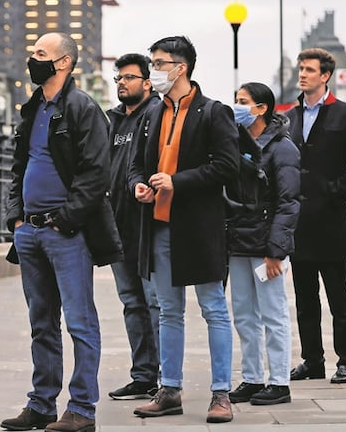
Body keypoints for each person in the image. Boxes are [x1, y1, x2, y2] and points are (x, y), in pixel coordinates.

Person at [0, 32, 121, 432]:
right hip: (30, 233)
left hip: (65, 233)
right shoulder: (32, 108)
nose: (31, 59)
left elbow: (95, 174)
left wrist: (63, 220)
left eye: (40, 54)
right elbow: (19, 166)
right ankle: (42, 404)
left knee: (80, 322)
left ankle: (82, 410)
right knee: (41, 322)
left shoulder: (82, 108)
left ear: (63, 62)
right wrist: (17, 217)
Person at [127, 35, 239, 424]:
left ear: (181, 67)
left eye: (158, 63)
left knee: (214, 310)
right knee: (168, 312)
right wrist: (138, 185)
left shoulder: (213, 112)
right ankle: (169, 389)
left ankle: (221, 393)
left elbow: (228, 167)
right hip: (158, 225)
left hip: (199, 227)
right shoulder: (152, 113)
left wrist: (179, 181)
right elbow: (137, 165)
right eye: (152, 62)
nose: (153, 70)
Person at [284, 48, 346, 385]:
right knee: (305, 298)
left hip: (331, 219)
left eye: (309, 69)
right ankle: (312, 360)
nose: (302, 74)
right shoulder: (290, 117)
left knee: (338, 296)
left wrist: (336, 190)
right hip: (299, 222)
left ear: (325, 76)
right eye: (300, 68)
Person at [225, 82, 300, 407]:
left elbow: (289, 203)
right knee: (243, 314)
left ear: (261, 108)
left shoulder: (282, 149)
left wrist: (276, 251)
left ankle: (279, 382)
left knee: (273, 314)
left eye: (244, 102)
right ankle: (252, 377)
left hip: (265, 246)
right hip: (239, 242)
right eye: (236, 101)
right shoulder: (234, 142)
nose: (238, 107)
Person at [105, 53, 161, 400]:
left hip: (149, 226)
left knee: (156, 303)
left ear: (147, 82)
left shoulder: (156, 115)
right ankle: (142, 375)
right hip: (116, 226)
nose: (123, 83)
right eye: (119, 78)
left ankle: (164, 376)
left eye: (129, 77)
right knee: (131, 302)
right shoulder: (113, 121)